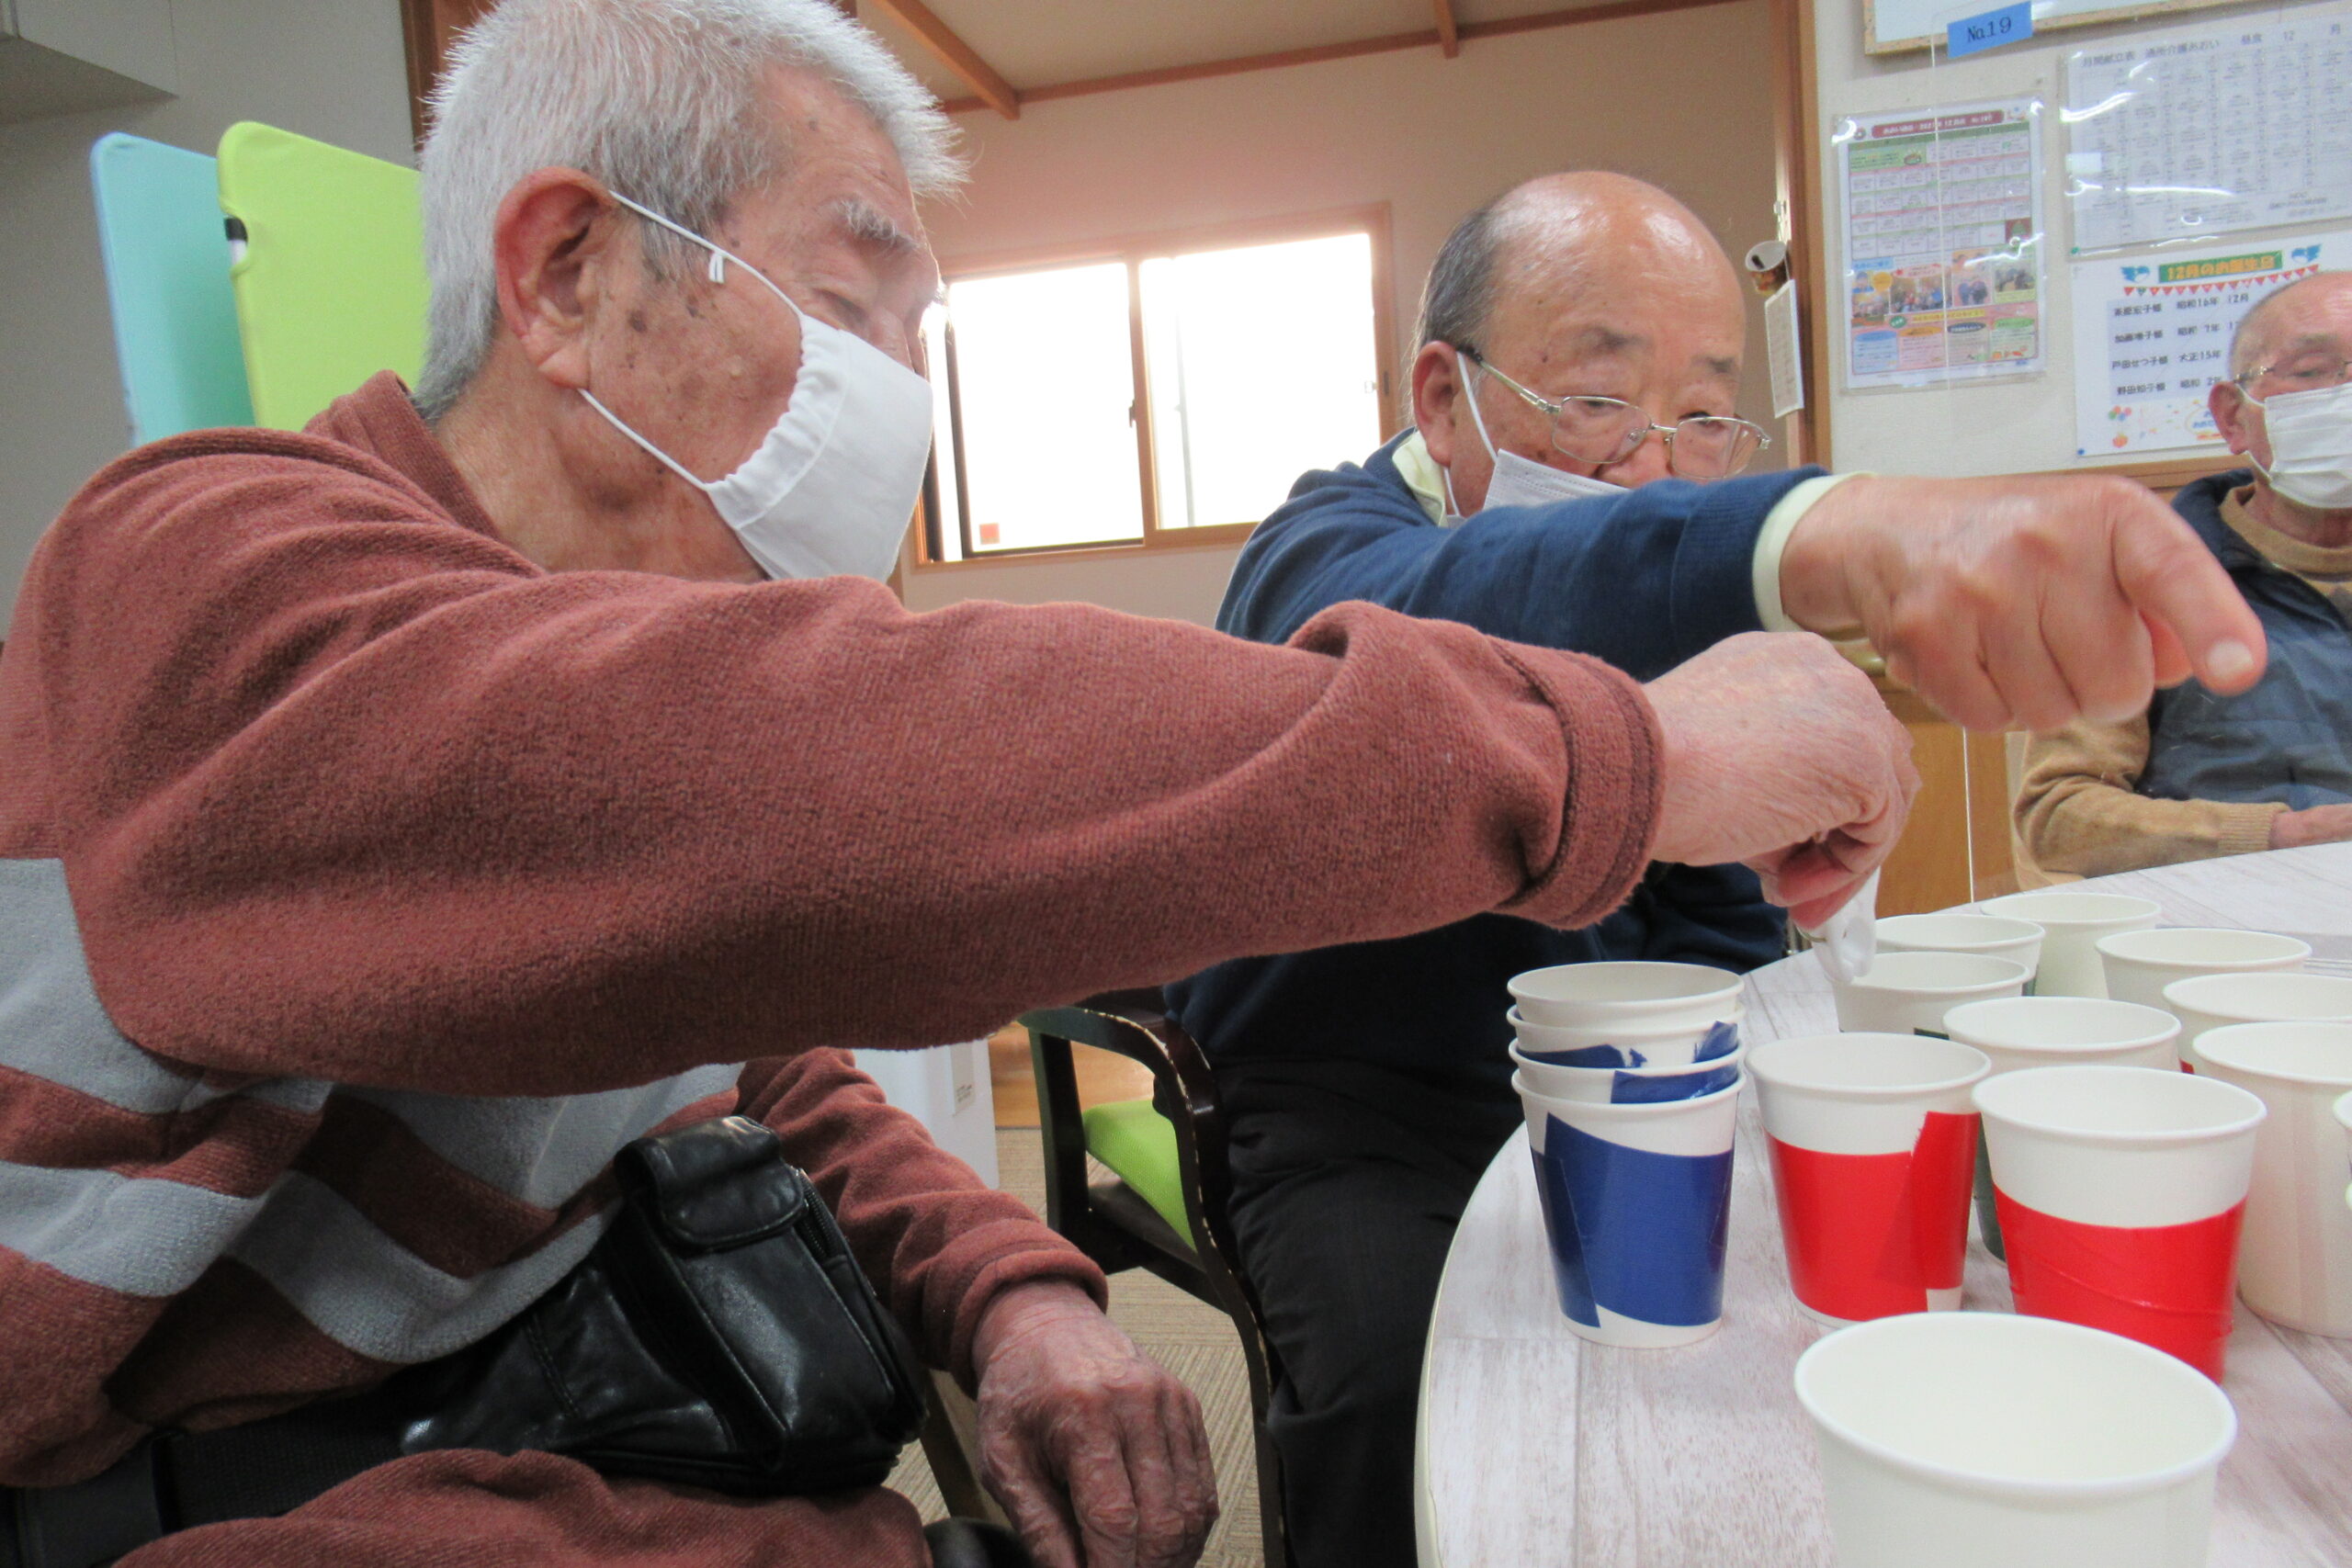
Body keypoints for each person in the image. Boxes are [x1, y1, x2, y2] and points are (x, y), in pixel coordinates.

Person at [0, 6, 1955, 1567]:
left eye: (913, 342)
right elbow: (778, 758)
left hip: (519, 1378)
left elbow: (746, 1070)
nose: (895, 408)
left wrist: (1009, 1290)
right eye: (848, 310)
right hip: (178, 1466)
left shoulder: (592, 697)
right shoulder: (207, 565)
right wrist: (1630, 753)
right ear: (570, 271)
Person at [1164, 172, 2267, 1568]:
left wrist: (1783, 917)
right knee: (1405, 1386)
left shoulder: (1638, 581)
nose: (1658, 459)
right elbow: (1461, 615)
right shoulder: (1327, 553)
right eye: (1599, 395)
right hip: (1353, 1095)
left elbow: (1708, 926)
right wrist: (1821, 535)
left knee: (1789, 1329)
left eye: (1704, 413)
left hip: (1619, 1070)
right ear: (1442, 398)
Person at [2018, 271, 2352, 878]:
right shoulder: (2135, 585)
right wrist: (2279, 835)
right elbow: (2058, 817)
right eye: (2311, 372)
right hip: (2212, 934)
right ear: (2233, 417)